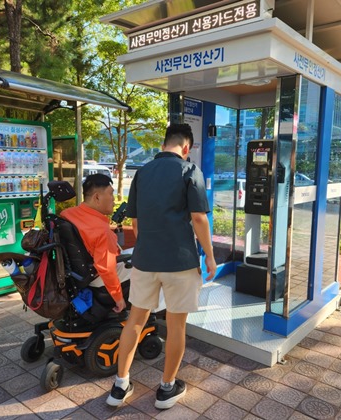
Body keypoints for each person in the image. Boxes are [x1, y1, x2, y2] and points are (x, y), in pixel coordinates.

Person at [106, 123, 216, 410]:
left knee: (135, 321)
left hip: (145, 262)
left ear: (164, 143)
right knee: (177, 325)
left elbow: (135, 223)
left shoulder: (142, 173)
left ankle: (120, 386)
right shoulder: (190, 171)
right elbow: (199, 219)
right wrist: (210, 255)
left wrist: (149, 248)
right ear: (186, 147)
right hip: (180, 261)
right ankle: (166, 389)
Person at [60, 174, 128, 314]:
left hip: (75, 274)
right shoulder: (101, 231)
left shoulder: (67, 214)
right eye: (111, 194)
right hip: (97, 276)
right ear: (97, 197)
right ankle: (147, 313)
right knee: (147, 268)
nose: (114, 200)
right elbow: (106, 268)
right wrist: (118, 298)